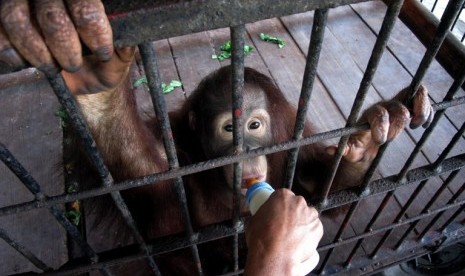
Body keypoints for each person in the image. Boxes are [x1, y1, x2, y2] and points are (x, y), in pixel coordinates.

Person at [0, 1, 324, 275]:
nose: (244, 153)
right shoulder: (175, 137)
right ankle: (104, 105)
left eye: (255, 126)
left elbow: (322, 179)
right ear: (196, 124)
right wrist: (276, 262)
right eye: (229, 129)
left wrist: (355, 157)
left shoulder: (289, 131)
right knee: (159, 185)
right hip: (184, 261)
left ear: (276, 121)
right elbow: (141, 180)